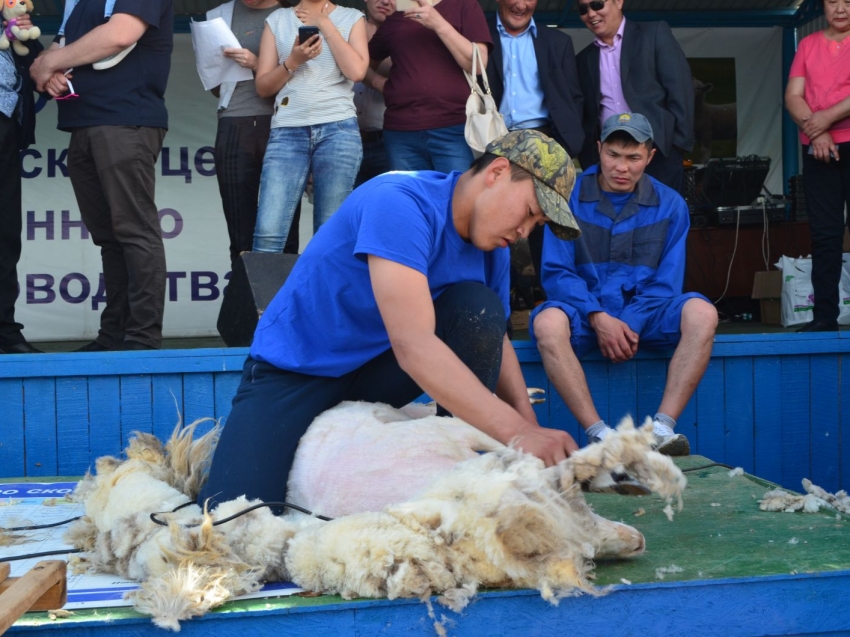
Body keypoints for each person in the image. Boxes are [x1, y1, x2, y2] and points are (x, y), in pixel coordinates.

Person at [199, 130, 581, 508]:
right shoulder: (399, 201)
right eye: (530, 212)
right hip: (298, 372)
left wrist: (531, 437)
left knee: (476, 305)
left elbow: (494, 337)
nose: (523, 232)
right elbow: (413, 345)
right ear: (496, 172)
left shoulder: (492, 244)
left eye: (536, 226)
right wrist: (518, 433)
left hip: (378, 375)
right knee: (232, 520)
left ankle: (462, 471)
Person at [531, 113, 718, 456]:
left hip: (644, 319)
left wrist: (628, 322)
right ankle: (599, 433)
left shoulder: (672, 204)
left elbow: (666, 283)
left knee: (703, 313)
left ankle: (661, 429)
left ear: (650, 156)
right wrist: (598, 317)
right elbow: (557, 272)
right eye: (613, 155)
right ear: (599, 149)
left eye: (633, 158)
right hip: (586, 317)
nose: (622, 167)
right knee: (547, 322)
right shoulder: (567, 197)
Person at [30, 0, 173, 352]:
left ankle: (142, 340)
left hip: (125, 120)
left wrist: (49, 63)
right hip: (82, 123)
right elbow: (55, 53)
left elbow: (120, 34)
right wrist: (48, 70)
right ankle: (114, 336)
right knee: (109, 238)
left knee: (134, 231)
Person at [485, 0, 584, 301]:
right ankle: (504, 294)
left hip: (543, 139)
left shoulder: (558, 41)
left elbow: (573, 98)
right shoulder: (480, 35)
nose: (521, 4)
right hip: (494, 139)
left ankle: (552, 299)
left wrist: (565, 143)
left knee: (545, 220)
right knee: (495, 217)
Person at [251, 0, 368, 253]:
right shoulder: (278, 19)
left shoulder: (352, 17)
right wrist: (293, 60)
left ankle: (323, 294)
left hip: (337, 127)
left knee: (330, 233)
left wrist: (323, 23)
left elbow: (357, 71)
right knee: (268, 234)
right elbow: (263, 87)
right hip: (287, 129)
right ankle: (270, 294)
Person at [206, 0, 301, 268]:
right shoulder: (218, 15)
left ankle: (282, 307)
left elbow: (309, 78)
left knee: (284, 231)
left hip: (284, 122)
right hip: (234, 120)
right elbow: (216, 87)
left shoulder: (295, 15)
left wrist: (257, 63)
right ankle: (246, 307)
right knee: (239, 231)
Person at [574, 0, 693, 194]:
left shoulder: (654, 34)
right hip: (609, 159)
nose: (591, 13)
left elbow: (681, 90)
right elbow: (586, 115)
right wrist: (590, 158)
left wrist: (676, 147)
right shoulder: (583, 59)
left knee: (660, 220)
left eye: (597, 4)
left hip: (658, 151)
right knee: (615, 222)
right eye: (583, 9)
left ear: (619, 2)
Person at [785, 0, 850, 332]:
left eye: (848, 1)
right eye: (833, 1)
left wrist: (825, 118)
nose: (840, 9)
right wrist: (820, 130)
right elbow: (793, 96)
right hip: (819, 148)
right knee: (825, 234)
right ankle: (825, 316)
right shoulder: (808, 44)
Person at [367, 0, 491, 173]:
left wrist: (438, 23)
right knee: (409, 199)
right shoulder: (397, 16)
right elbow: (363, 64)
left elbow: (478, 65)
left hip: (454, 128)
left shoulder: (464, 5)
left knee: (456, 198)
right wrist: (379, 83)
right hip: (401, 132)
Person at [0, 13, 43, 355]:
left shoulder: (11, 22)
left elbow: (37, 64)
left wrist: (23, 32)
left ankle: (5, 331)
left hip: (7, 130)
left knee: (5, 232)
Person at [352, 0, 394, 187]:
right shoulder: (345, 26)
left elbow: (407, 74)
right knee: (344, 210)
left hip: (388, 140)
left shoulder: (408, 33)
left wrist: (369, 52)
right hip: (345, 139)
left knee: (386, 207)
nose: (384, 1)